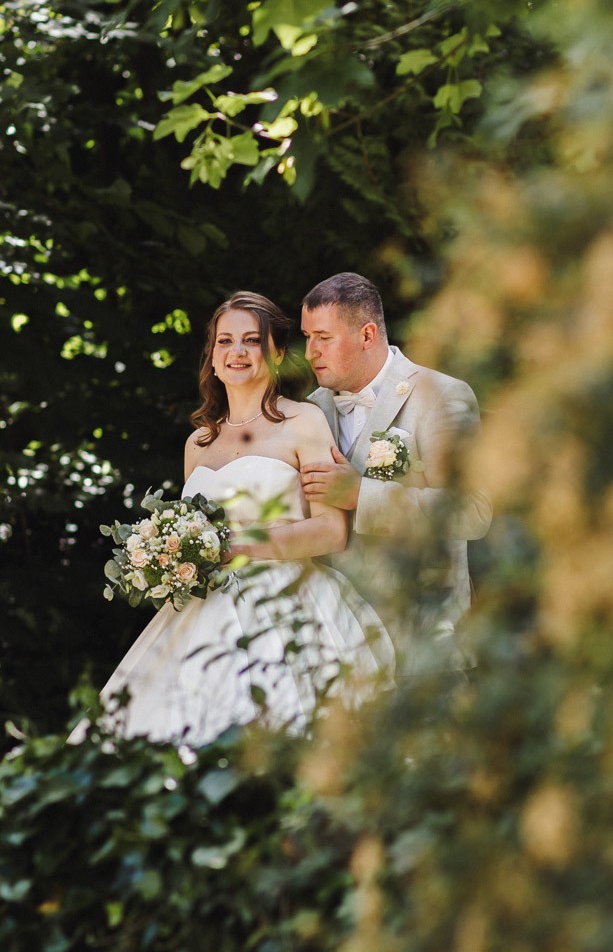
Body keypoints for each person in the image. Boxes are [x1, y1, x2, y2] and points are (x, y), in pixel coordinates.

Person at [76, 292, 393, 745]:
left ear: (277, 353)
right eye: (225, 341)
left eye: (251, 340)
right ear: (213, 356)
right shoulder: (198, 443)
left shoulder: (304, 422)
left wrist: (234, 547)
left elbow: (332, 530)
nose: (237, 352)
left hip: (286, 604)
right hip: (203, 608)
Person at [300, 272, 491, 651]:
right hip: (336, 641)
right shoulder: (311, 409)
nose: (310, 353)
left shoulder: (441, 396)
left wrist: (362, 494)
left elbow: (472, 511)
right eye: (308, 338)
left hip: (421, 639)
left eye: (323, 338)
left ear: (367, 335)